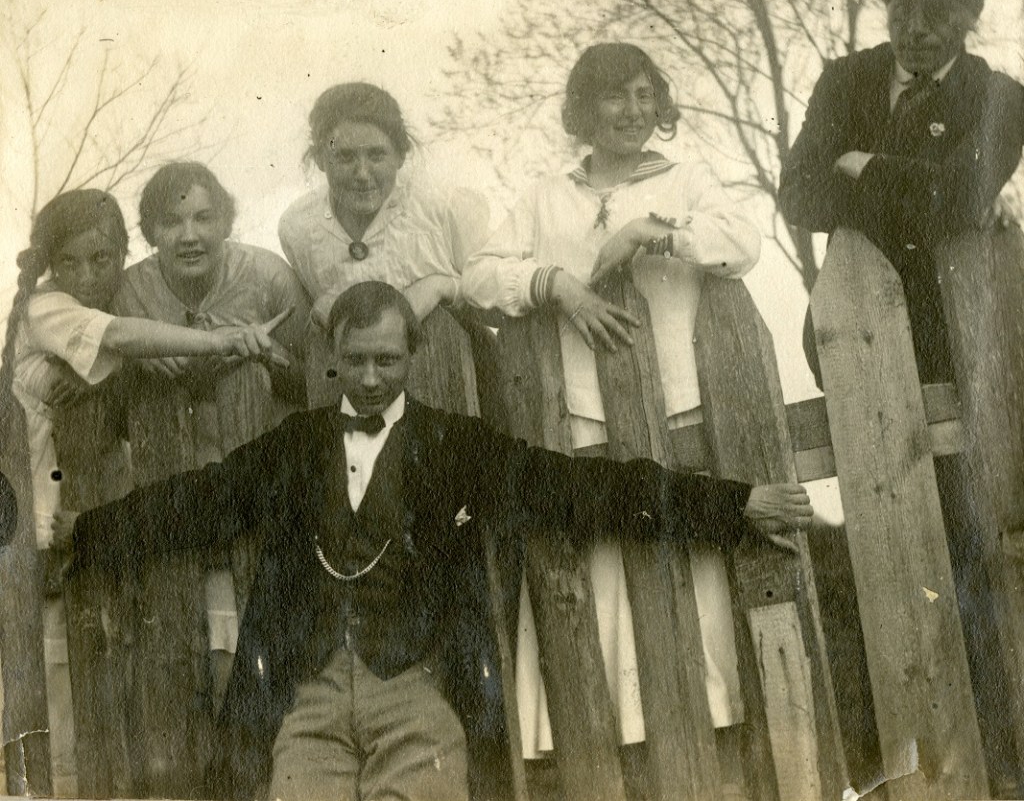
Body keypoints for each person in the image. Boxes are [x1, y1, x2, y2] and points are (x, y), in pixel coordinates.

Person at [55, 281, 812, 801]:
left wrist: (735, 502)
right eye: (356, 360)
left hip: (416, 693)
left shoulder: (455, 445)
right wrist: (83, 535)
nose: (372, 376)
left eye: (388, 359)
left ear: (412, 354)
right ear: (334, 360)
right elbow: (197, 500)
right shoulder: (294, 445)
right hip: (308, 697)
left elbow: (581, 488)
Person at [461, 42, 761, 793]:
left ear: (660, 104)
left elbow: (741, 243)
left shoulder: (685, 178)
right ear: (582, 111)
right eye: (611, 98)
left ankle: (711, 767)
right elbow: (480, 274)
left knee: (687, 587)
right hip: (582, 416)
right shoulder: (545, 195)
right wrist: (556, 281)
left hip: (676, 406)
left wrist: (649, 232)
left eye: (641, 95)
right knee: (593, 583)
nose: (630, 112)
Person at [778, 0, 1024, 792]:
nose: (916, 32)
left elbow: (960, 199)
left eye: (938, 15)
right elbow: (800, 193)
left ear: (971, 17)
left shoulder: (1001, 97)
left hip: (958, 359)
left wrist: (861, 162)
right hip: (856, 350)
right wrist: (911, 179)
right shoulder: (846, 80)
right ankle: (907, 769)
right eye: (901, 11)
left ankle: (997, 756)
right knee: (888, 563)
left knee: (974, 561)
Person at [0, 188, 287, 796]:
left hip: (64, 494)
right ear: (51, 266)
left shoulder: (92, 314)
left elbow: (122, 353)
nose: (87, 275)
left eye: (102, 260)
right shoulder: (48, 307)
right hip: (30, 500)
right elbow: (127, 339)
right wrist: (223, 341)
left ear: (123, 254)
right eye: (71, 262)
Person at [112, 162, 310, 706]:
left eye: (204, 217)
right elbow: (105, 378)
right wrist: (141, 361)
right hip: (175, 459)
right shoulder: (132, 292)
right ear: (151, 232)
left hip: (258, 447)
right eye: (172, 222)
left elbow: (318, 377)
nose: (190, 235)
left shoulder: (268, 277)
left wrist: (272, 356)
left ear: (226, 221)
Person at [278, 82, 489, 326]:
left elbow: (497, 307)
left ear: (401, 155)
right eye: (345, 157)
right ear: (320, 159)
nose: (362, 174)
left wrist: (442, 286)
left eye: (377, 155)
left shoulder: (446, 207)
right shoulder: (299, 227)